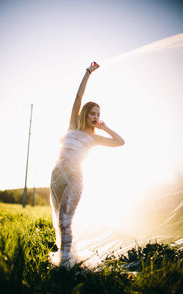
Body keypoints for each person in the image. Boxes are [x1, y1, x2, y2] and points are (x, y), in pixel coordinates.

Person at [50, 61, 125, 268]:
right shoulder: (73, 125)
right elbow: (78, 97)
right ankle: (65, 253)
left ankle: (65, 263)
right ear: (85, 114)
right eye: (93, 113)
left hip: (75, 178)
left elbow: (120, 142)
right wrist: (88, 73)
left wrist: (106, 127)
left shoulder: (95, 138)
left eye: (99, 115)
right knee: (58, 220)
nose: (96, 117)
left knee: (66, 219)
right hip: (56, 175)